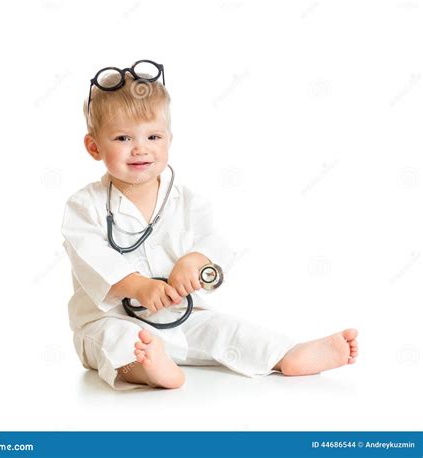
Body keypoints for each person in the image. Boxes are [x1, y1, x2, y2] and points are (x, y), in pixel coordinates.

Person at [61, 60, 359, 391]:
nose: (140, 148)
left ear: (169, 140)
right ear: (94, 147)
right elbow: (92, 258)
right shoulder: (83, 207)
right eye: (122, 137)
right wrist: (137, 286)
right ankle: (149, 369)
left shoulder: (187, 200)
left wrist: (197, 260)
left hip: (181, 316)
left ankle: (287, 354)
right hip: (111, 319)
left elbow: (212, 242)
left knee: (225, 328)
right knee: (120, 340)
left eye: (153, 135)